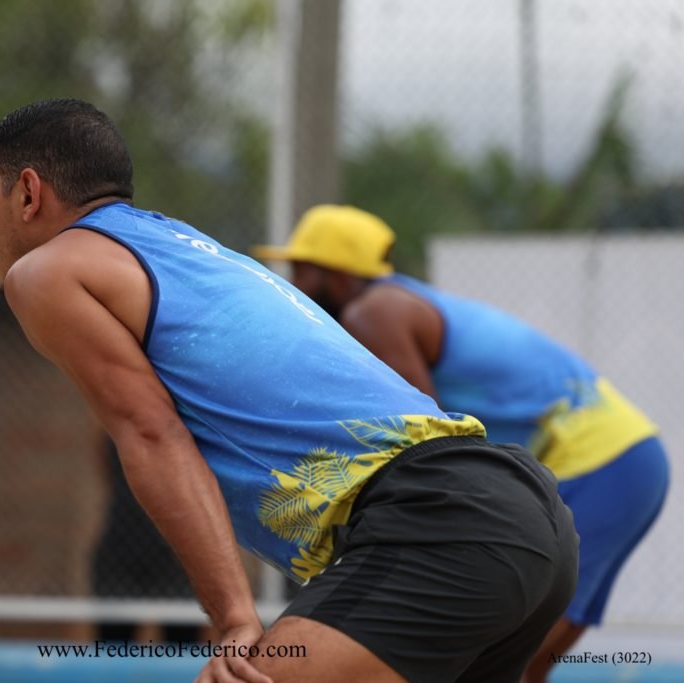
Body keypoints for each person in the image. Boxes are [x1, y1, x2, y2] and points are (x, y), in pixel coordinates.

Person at [0, 98, 578, 683]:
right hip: (526, 514)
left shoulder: (45, 271)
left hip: (438, 522)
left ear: (28, 193)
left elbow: (152, 434)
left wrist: (236, 620)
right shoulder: (183, 247)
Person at [254, 204, 671, 682]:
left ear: (341, 275)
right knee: (523, 650)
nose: (292, 283)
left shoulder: (373, 313)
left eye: (302, 270)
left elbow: (415, 439)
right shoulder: (401, 301)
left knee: (502, 650)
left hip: (601, 460)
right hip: (625, 456)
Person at [91, 433, 200, 646]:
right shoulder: (117, 429)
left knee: (183, 640)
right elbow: (103, 464)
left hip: (177, 551)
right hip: (123, 544)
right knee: (114, 639)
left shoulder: (189, 433)